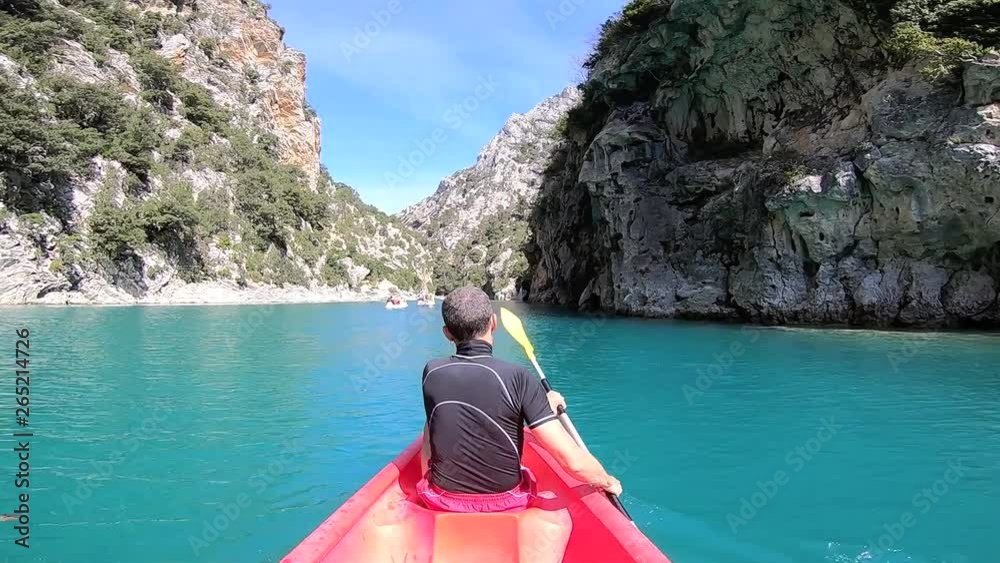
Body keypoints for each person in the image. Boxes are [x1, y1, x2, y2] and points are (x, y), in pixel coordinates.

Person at [417, 286, 622, 513]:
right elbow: (572, 461)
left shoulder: (431, 372)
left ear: (447, 333)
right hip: (506, 501)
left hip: (441, 497)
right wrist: (606, 479)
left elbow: (435, 425)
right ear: (493, 322)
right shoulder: (519, 377)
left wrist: (543, 405)